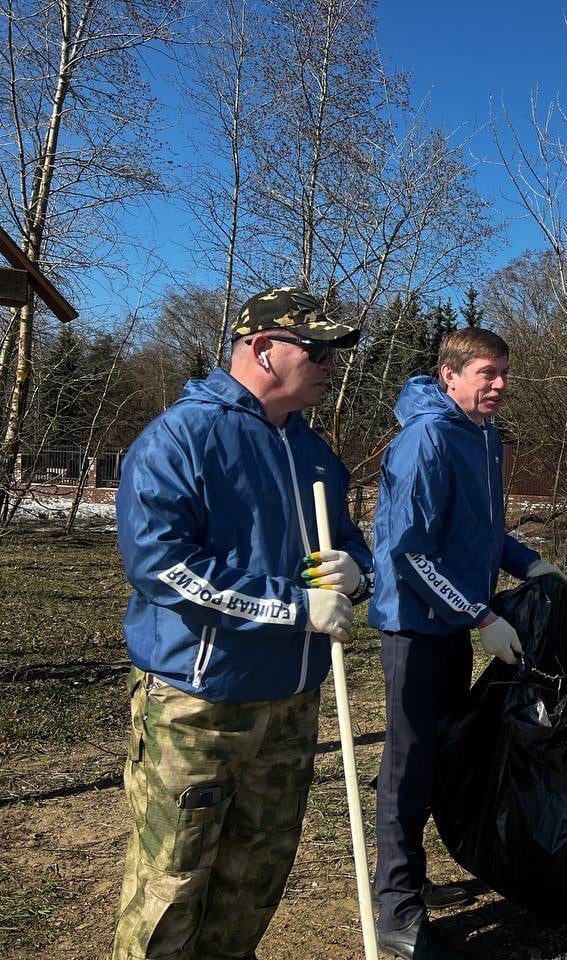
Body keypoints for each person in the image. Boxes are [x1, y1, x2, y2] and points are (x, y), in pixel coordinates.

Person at [112, 287, 373, 960]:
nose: (329, 367)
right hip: (197, 704)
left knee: (254, 878)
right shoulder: (182, 438)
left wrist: (356, 572)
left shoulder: (313, 454)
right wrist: (291, 607)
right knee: (171, 886)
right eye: (316, 351)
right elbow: (163, 567)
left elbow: (347, 543)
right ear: (262, 349)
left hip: (290, 705)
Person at [368, 326, 565, 960]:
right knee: (407, 764)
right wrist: (479, 615)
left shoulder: (484, 438)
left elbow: (481, 533)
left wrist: (531, 564)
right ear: (449, 375)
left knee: (444, 753)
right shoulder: (427, 437)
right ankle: (396, 910)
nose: (500, 384)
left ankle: (413, 877)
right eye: (487, 373)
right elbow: (408, 552)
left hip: (453, 625)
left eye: (504, 372)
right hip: (414, 629)